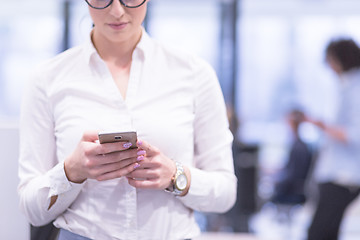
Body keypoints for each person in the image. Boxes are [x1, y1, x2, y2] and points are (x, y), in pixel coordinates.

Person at [17, 0, 237, 239]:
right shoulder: (47, 79)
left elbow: (226, 193)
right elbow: (31, 209)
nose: (117, 11)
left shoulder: (194, 74)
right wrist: (72, 171)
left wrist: (175, 175)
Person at [306, 38, 360, 240]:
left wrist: (322, 126)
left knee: (318, 233)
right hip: (337, 174)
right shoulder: (347, 87)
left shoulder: (356, 88)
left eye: (330, 60)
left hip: (344, 177)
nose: (329, 66)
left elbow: (355, 134)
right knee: (327, 232)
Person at [271, 109, 313, 205]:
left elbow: (293, 176)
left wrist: (276, 184)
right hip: (294, 188)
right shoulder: (300, 145)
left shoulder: (299, 148)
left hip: (293, 191)